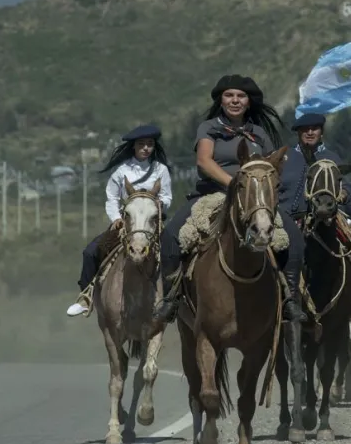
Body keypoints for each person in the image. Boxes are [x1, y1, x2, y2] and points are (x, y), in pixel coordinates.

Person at [151, 74, 310, 324]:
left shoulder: (258, 133)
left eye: (240, 96)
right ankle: (171, 299)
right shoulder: (209, 128)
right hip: (213, 193)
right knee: (172, 234)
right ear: (221, 100)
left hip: (255, 198)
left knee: (294, 237)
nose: (235, 100)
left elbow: (269, 165)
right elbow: (204, 161)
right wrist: (235, 184)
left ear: (248, 102)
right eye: (229, 95)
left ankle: (289, 300)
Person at [67, 124, 173, 317]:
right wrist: (116, 218)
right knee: (90, 252)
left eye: (150, 144)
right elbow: (112, 198)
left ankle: (173, 298)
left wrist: (158, 206)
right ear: (134, 146)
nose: (146, 148)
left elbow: (167, 197)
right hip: (127, 223)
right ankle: (86, 296)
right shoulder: (121, 171)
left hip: (151, 222)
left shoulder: (161, 170)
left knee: (174, 251)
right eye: (141, 144)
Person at [279, 112, 351, 222]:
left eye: (314, 129)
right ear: (298, 133)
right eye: (305, 129)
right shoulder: (284, 156)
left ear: (321, 132)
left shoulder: (332, 158)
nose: (310, 132)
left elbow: (345, 186)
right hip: (282, 221)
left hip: (320, 222)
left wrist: (342, 194)